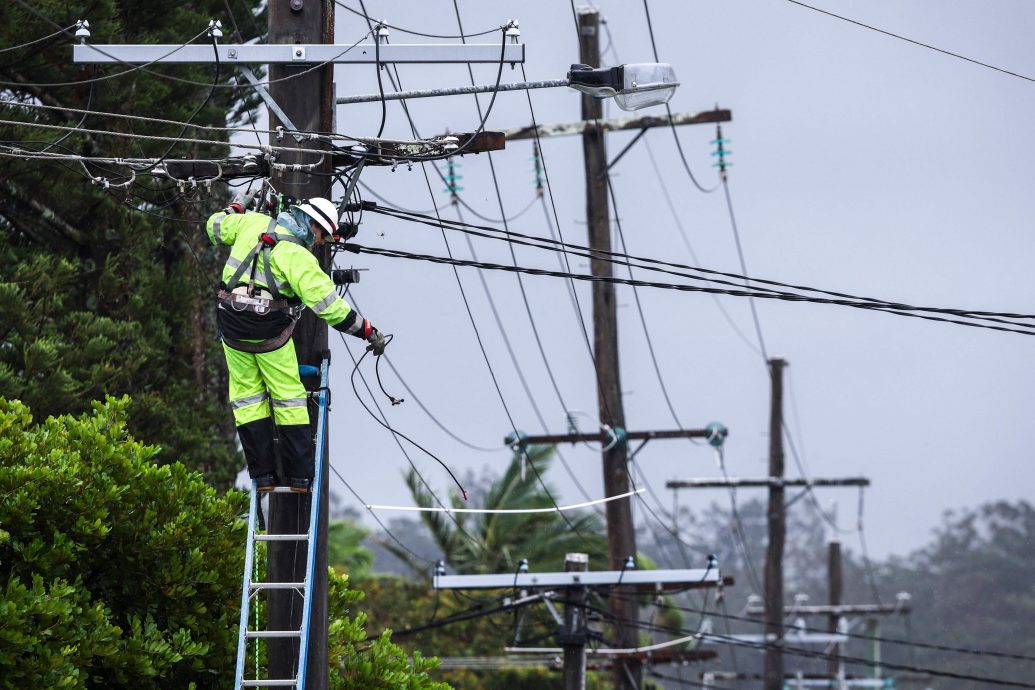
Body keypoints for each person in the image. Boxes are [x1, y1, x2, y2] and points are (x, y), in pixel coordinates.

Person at [206, 192, 386, 493]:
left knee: (247, 398)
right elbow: (330, 307)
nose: (319, 242)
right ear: (310, 224)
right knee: (289, 397)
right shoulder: (298, 257)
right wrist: (367, 330)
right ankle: (300, 478)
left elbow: (214, 227)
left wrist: (236, 206)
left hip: (232, 324)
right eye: (321, 234)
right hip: (268, 332)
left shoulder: (251, 221)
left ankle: (262, 477)